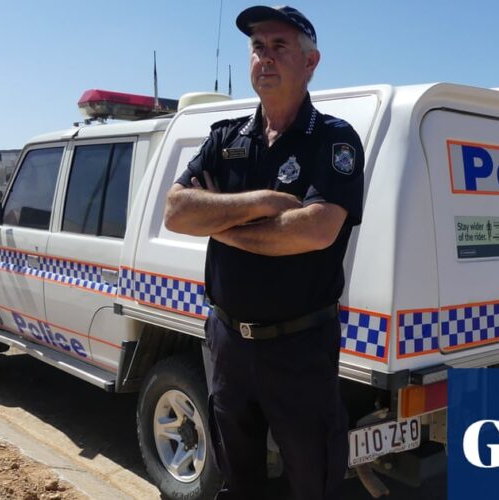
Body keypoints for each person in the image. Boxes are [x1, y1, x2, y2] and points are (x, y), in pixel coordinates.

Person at [164, 5, 364, 499]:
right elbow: (175, 211)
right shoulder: (226, 138)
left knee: (311, 479)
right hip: (228, 340)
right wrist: (259, 203)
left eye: (279, 47)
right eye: (257, 47)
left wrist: (220, 221)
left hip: (299, 347)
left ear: (311, 62)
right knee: (239, 478)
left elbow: (315, 230)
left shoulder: (334, 141)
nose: (265, 58)